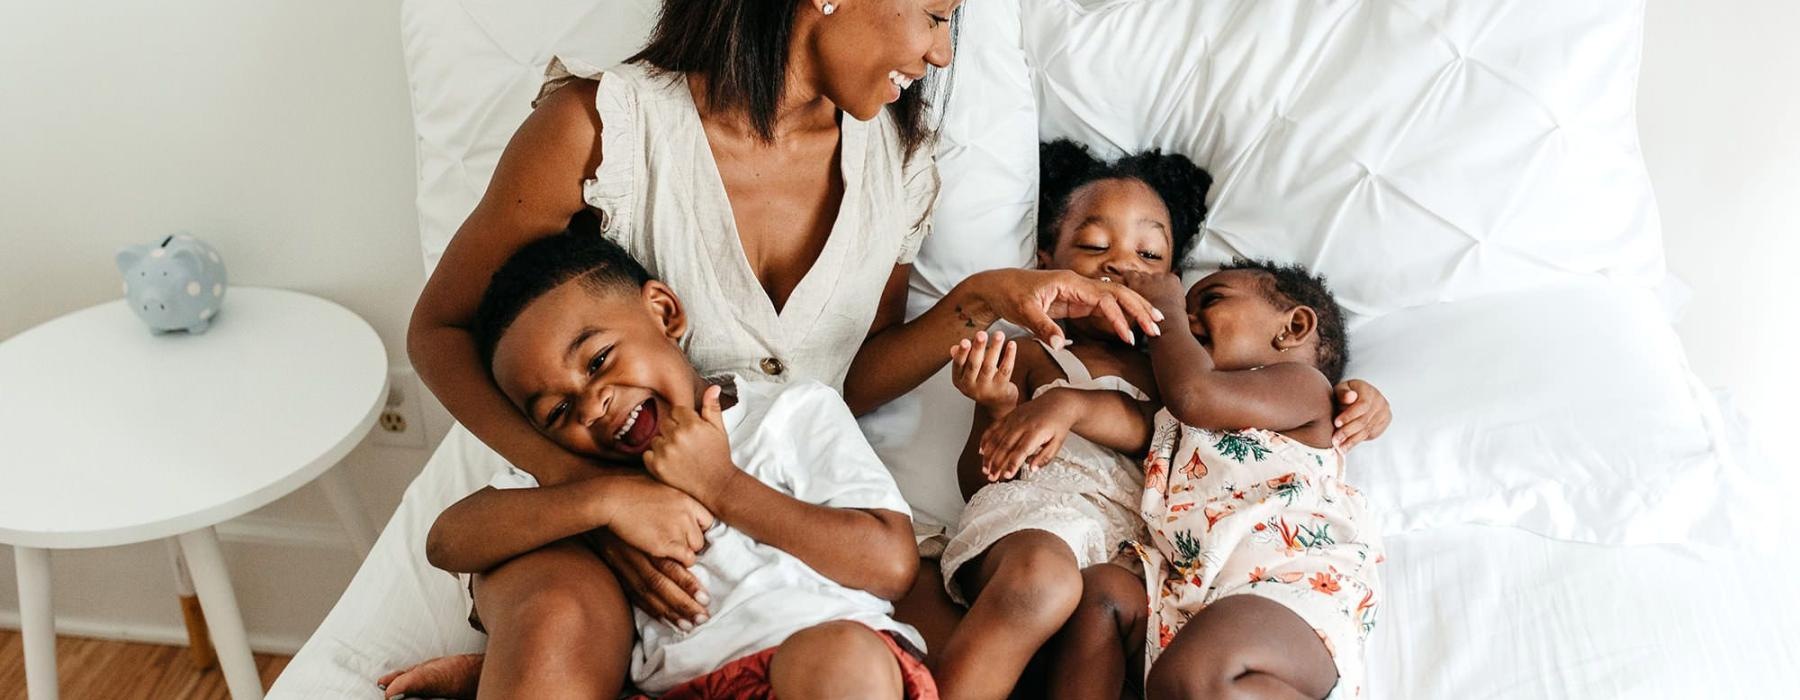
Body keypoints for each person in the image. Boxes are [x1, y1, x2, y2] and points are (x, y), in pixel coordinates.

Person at [405, 0, 1181, 660]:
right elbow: (440, 328)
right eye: (936, 15)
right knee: (561, 625)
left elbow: (847, 382)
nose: (941, 53)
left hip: (791, 511)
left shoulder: (898, 160)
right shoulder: (603, 126)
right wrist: (592, 491)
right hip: (602, 503)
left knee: (963, 658)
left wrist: (985, 298)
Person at [385, 226, 937, 698]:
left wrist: (720, 484)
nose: (594, 404)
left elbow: (890, 566)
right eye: (558, 411)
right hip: (684, 686)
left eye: (599, 360)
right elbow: (448, 541)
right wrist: (606, 499)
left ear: (664, 313)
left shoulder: (790, 413)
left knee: (838, 656)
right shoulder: (582, 485)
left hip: (826, 668)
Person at [982, 261, 1384, 699]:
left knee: (1195, 674)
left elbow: (1195, 393)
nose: (1187, 321)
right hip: (1186, 599)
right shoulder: (1175, 420)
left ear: (1293, 327)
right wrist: (1066, 405)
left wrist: (1166, 307)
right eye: (1184, 308)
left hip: (1288, 586)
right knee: (1101, 594)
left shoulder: (1304, 388)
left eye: (1210, 301)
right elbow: (1133, 420)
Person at [927, 140, 1210, 699]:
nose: (1122, 263)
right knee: (1043, 580)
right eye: (1093, 244)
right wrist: (997, 408)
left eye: (1150, 256)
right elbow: (979, 487)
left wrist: (1358, 397)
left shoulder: (1175, 369)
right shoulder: (1034, 353)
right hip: (1034, 529)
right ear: (1045, 265)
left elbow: (1153, 429)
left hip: (1127, 562)